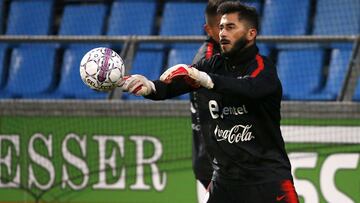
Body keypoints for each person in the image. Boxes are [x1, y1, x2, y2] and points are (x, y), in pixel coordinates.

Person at [120, 1, 299, 203]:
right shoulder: (212, 64)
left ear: (251, 34)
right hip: (225, 182)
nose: (222, 33)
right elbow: (174, 86)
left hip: (267, 181)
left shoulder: (263, 68)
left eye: (230, 27)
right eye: (221, 27)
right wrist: (150, 88)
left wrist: (206, 79)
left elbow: (249, 89)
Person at [190, 0, 223, 190]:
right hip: (214, 164)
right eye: (221, 27)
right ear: (208, 29)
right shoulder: (207, 63)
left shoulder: (227, 53)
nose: (227, 32)